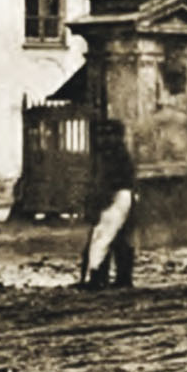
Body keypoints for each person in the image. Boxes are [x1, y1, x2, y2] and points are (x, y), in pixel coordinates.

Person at [78, 117, 136, 290]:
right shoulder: (102, 156)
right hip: (113, 199)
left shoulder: (118, 156)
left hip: (118, 198)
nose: (105, 139)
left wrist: (101, 198)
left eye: (110, 134)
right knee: (108, 239)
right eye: (102, 135)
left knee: (107, 240)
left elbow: (115, 181)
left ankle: (108, 278)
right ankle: (102, 277)